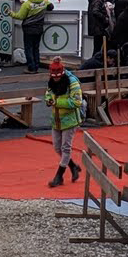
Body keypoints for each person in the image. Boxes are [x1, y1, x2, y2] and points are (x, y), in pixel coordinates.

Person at [44, 58, 83, 187]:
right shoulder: (51, 80)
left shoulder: (73, 83)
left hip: (70, 120)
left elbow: (77, 102)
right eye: (53, 77)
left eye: (57, 77)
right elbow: (48, 92)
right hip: (56, 119)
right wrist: (48, 99)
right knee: (57, 147)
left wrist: (56, 102)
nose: (55, 80)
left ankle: (59, 176)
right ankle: (73, 166)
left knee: (66, 148)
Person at [14, 0, 51, 72]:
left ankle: (31, 67)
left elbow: (20, 16)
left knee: (28, 48)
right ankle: (36, 66)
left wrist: (10, 13)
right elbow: (51, 7)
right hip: (39, 28)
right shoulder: (44, 2)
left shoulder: (27, 4)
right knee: (36, 48)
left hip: (28, 29)